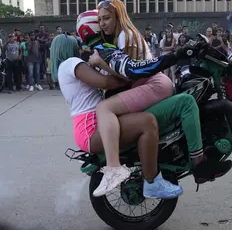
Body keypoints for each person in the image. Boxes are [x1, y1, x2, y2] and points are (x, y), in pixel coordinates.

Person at [77, 9, 232, 196]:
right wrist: (176, 55)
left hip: (132, 103)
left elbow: (123, 76)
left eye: (107, 18)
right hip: (128, 109)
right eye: (101, 20)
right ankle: (199, 164)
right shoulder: (104, 49)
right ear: (95, 26)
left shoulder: (99, 51)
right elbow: (133, 69)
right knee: (186, 102)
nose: (104, 23)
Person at [52, 33, 185, 200]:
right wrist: (128, 73)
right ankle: (151, 182)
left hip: (90, 126)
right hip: (91, 128)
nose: (80, 49)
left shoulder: (64, 69)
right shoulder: (72, 63)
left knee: (144, 118)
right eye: (76, 46)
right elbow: (108, 83)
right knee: (147, 122)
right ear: (68, 49)